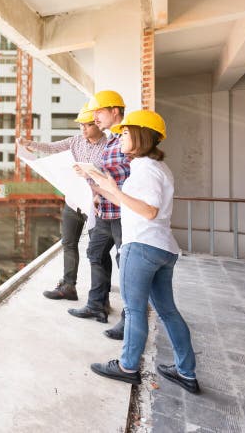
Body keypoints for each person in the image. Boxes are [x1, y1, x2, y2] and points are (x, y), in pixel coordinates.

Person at [87, 110, 199, 393]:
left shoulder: (146, 168)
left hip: (142, 246)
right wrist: (101, 184)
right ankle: (186, 372)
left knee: (134, 310)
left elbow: (148, 211)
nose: (120, 136)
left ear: (139, 135)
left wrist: (114, 188)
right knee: (168, 311)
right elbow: (132, 203)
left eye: (124, 133)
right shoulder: (154, 167)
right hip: (162, 248)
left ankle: (127, 367)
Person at [18, 100, 107, 301]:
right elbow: (51, 148)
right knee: (68, 243)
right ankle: (68, 286)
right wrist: (28, 144)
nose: (83, 129)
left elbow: (109, 175)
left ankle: (99, 298)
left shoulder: (108, 146)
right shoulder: (76, 141)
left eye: (87, 125)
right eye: (81, 125)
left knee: (97, 252)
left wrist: (91, 178)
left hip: (95, 203)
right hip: (73, 201)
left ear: (97, 124)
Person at [68, 91, 130, 338]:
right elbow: (110, 174)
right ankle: (97, 305)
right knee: (95, 253)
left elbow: (129, 176)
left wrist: (95, 177)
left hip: (122, 212)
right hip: (105, 209)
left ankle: (130, 320)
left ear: (115, 111)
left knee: (125, 263)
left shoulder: (128, 138)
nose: (95, 118)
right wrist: (95, 191)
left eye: (99, 112)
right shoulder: (113, 140)